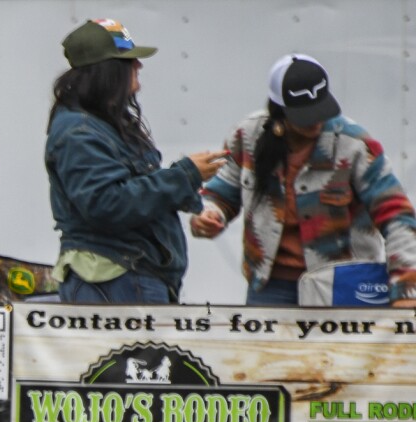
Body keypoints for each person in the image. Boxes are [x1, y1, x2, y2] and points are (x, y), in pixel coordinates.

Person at [190, 54, 416, 308]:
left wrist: (406, 288)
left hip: (344, 286)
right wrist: (209, 215)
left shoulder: (355, 145)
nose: (316, 121)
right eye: (305, 115)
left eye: (322, 109)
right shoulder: (247, 136)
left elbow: (397, 216)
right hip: (268, 287)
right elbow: (220, 194)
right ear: (279, 112)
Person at [45, 18, 228, 304]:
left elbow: (133, 190)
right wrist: (184, 176)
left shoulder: (102, 123)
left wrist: (193, 203)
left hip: (126, 278)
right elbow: (106, 204)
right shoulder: (79, 132)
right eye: (129, 60)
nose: (138, 66)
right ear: (107, 71)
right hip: (115, 280)